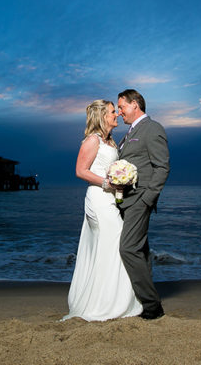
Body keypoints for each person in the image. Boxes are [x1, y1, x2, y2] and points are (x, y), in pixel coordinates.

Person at [63, 100, 143, 321]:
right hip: (98, 200)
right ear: (101, 116)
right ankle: (102, 304)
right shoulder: (92, 140)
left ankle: (113, 300)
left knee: (109, 248)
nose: (116, 114)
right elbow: (80, 171)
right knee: (115, 243)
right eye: (111, 112)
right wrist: (108, 184)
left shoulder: (111, 142)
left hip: (109, 200)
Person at [116, 89, 170, 319]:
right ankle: (143, 302)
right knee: (141, 251)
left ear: (135, 104)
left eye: (122, 107)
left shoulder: (153, 128)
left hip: (140, 199)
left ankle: (152, 306)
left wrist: (148, 198)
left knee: (128, 248)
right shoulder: (129, 133)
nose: (119, 113)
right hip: (127, 200)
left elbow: (162, 166)